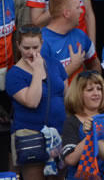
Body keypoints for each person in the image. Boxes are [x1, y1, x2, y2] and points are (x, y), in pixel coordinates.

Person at [7, 27, 67, 180]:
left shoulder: (53, 63)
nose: (31, 52)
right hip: (31, 134)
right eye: (26, 48)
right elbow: (32, 101)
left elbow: (66, 94)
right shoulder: (14, 74)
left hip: (59, 131)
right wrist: (38, 70)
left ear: (42, 43)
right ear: (18, 45)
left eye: (36, 47)